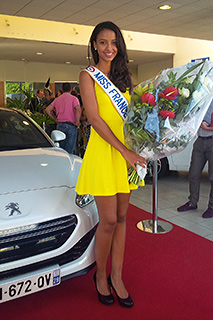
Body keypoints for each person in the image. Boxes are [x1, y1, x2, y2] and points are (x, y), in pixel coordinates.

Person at [75, 21, 146, 308]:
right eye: (103, 42)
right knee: (108, 221)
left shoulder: (124, 79)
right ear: (94, 44)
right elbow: (95, 119)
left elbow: (131, 120)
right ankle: (101, 277)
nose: (109, 48)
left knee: (123, 218)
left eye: (114, 43)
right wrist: (125, 152)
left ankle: (117, 276)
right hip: (105, 154)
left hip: (125, 155)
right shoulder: (87, 76)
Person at [177, 99, 213, 218]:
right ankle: (192, 202)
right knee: (193, 173)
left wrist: (208, 128)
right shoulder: (201, 98)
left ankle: (212, 207)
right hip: (200, 141)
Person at [45, 82, 81, 154]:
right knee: (69, 152)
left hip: (60, 125)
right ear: (70, 89)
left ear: (62, 89)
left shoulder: (57, 99)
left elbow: (47, 110)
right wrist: (77, 122)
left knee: (60, 151)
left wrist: (55, 119)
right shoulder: (74, 99)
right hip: (71, 125)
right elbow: (78, 109)